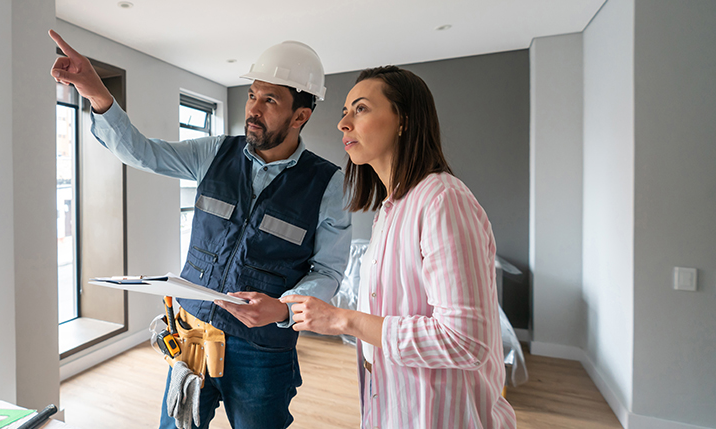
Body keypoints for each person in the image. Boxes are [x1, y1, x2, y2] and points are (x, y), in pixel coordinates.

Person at [49, 30, 352, 429]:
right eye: (251, 95)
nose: (253, 109)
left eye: (270, 99)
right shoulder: (214, 153)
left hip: (261, 350)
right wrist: (97, 94)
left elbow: (327, 271)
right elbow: (143, 152)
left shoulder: (329, 184)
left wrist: (283, 307)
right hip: (192, 334)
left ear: (301, 116)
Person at [281, 66, 517, 428]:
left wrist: (343, 319)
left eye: (360, 109)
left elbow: (465, 341)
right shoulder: (390, 211)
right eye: (344, 112)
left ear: (403, 120)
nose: (343, 123)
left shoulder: (442, 200)